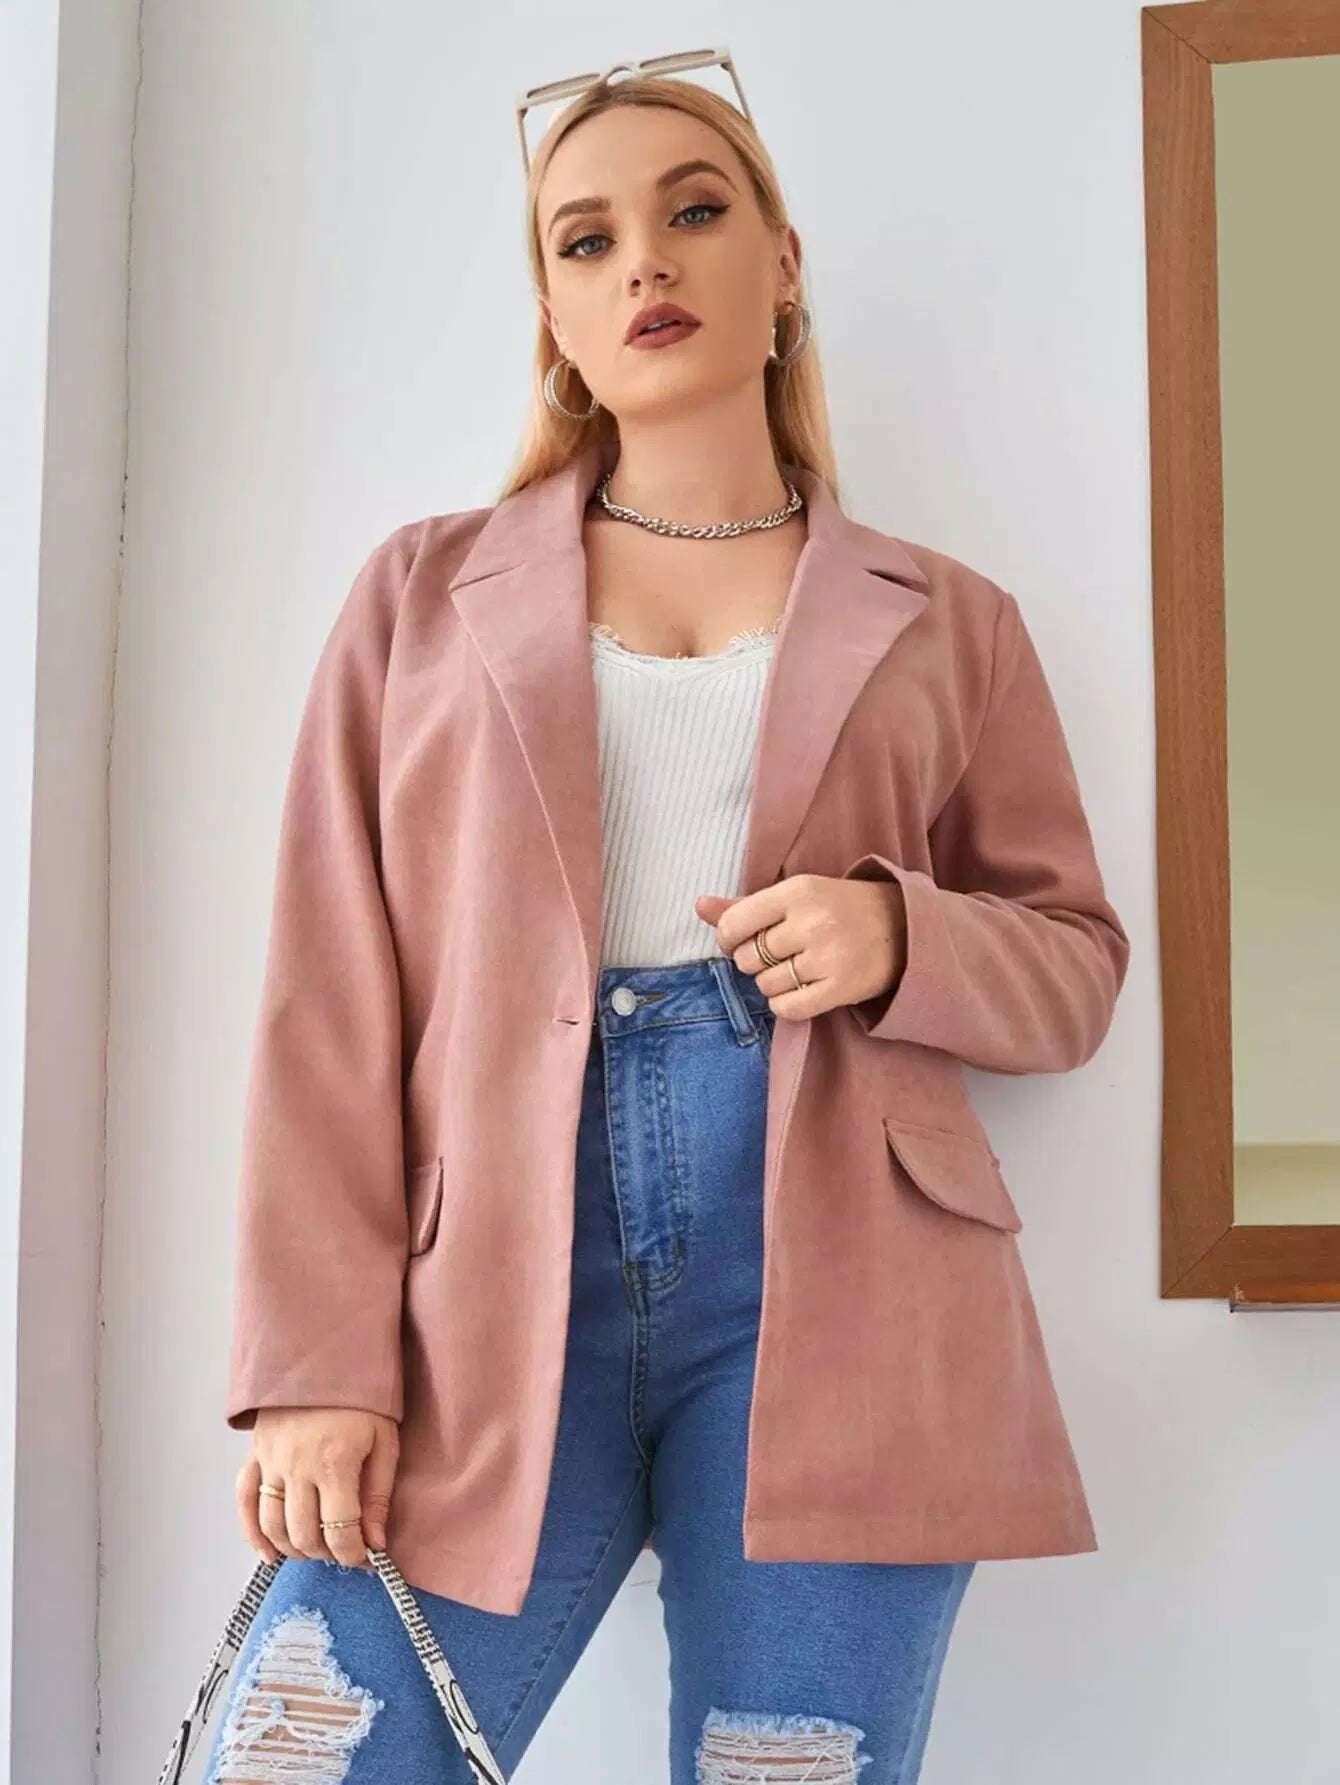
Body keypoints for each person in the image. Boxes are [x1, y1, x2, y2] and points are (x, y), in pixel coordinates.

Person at [204, 55, 1130, 1785]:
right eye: (587, 239)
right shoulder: (421, 595)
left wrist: (898, 936)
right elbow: (327, 997)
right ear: (555, 314)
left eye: (694, 211)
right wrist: (314, 1361)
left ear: (782, 261)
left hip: (843, 1302)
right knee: (293, 1757)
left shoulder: (952, 619)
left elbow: (1077, 964)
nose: (645, 260)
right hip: (479, 1295)